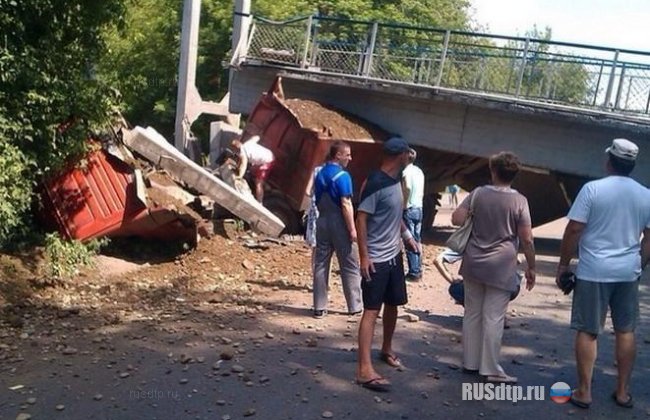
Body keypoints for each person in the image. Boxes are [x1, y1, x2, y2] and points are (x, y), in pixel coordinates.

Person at [555, 138, 650, 410]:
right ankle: (622, 391)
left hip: (593, 271)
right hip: (627, 273)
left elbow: (574, 229)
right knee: (626, 330)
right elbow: (649, 238)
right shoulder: (645, 194)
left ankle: (584, 392)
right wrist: (638, 264)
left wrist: (563, 265)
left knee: (588, 330)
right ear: (632, 165)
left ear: (609, 161)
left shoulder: (592, 190)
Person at [451, 151, 535, 384]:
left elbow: (456, 219)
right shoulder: (520, 201)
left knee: (472, 313)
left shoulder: (477, 194)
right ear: (514, 175)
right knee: (494, 317)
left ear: (493, 171)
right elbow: (526, 239)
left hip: (474, 262)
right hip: (502, 266)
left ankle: (470, 362)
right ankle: (490, 369)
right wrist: (531, 266)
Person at [355, 137, 419, 392]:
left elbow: (395, 216)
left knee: (393, 304)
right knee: (371, 310)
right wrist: (363, 257)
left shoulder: (395, 181)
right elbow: (361, 220)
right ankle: (363, 369)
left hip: (394, 257)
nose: (410, 157)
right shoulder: (375, 183)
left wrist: (408, 237)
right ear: (400, 155)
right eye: (408, 154)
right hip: (377, 259)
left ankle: (386, 349)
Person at [312, 141, 362, 318]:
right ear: (338, 155)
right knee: (349, 264)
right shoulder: (343, 176)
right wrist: (352, 229)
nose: (350, 158)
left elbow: (314, 197)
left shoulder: (320, 174)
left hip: (322, 220)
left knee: (320, 264)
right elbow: (346, 204)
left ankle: (319, 306)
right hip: (339, 222)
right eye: (347, 154)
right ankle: (355, 306)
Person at [402, 148, 425, 281]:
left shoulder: (406, 172)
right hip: (419, 208)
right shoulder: (419, 171)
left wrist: (404, 203)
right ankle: (419, 268)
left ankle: (414, 272)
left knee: (409, 240)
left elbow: (408, 187)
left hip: (409, 208)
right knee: (417, 238)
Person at [231, 136, 275, 202]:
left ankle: (260, 203)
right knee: (251, 171)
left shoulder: (243, 154)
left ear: (236, 148)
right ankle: (267, 187)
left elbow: (243, 166)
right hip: (269, 154)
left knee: (258, 183)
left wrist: (238, 177)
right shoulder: (247, 143)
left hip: (267, 161)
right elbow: (257, 137)